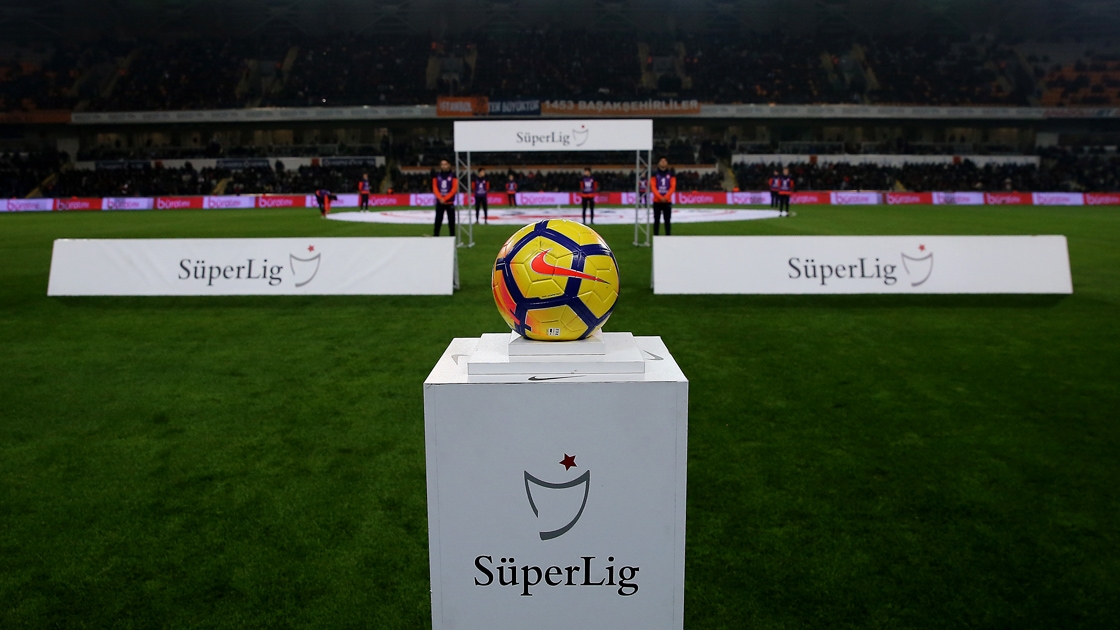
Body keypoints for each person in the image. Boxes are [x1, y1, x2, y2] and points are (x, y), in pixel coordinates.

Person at [650, 156, 676, 236]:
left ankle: (667, 238)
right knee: (656, 221)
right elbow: (653, 187)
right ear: (658, 163)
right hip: (657, 201)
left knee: (667, 221)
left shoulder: (671, 173)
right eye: (661, 161)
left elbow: (673, 187)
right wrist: (660, 197)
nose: (663, 162)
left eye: (665, 161)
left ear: (667, 163)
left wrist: (666, 197)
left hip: (667, 201)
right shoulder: (654, 173)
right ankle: (656, 237)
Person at [432, 159, 457, 236]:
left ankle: (452, 238)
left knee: (451, 222)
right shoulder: (436, 175)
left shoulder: (453, 175)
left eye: (445, 164)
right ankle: (436, 237)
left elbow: (454, 189)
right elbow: (435, 188)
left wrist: (445, 198)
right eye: (442, 164)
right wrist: (440, 198)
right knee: (438, 221)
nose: (443, 166)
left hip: (449, 202)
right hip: (440, 202)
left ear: (449, 165)